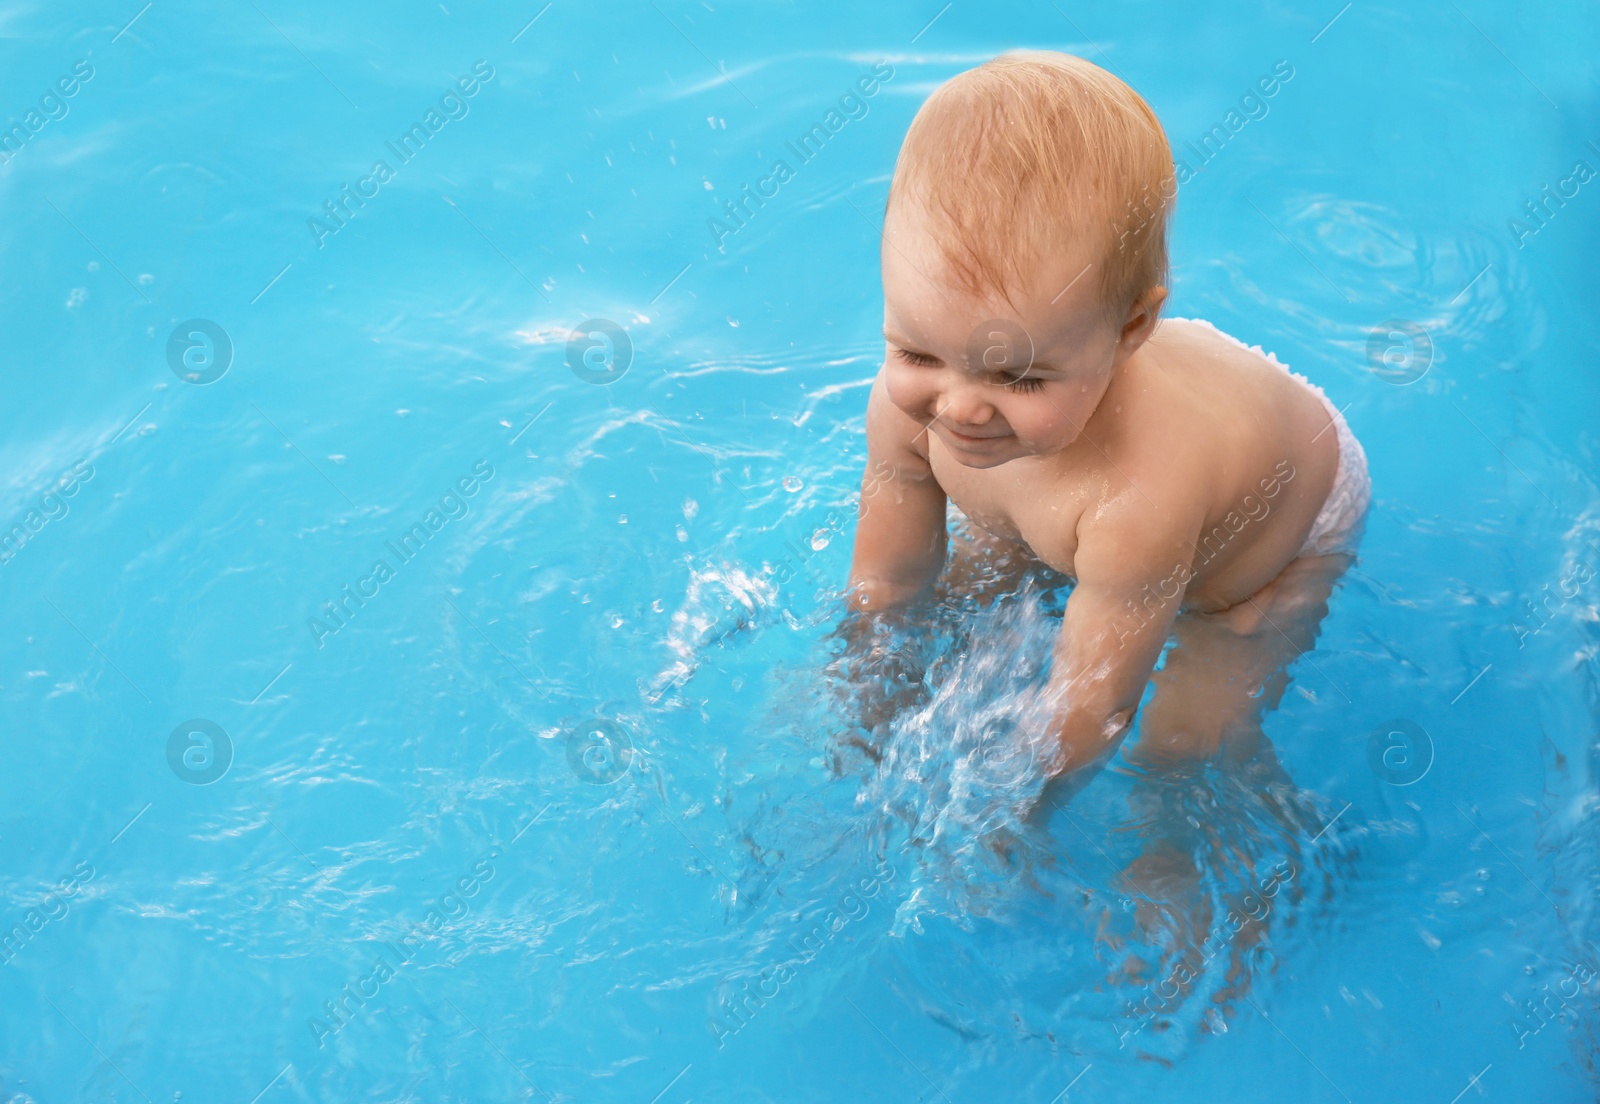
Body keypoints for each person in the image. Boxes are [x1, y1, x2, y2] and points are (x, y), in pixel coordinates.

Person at [846, 51, 1370, 778]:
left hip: (1284, 510)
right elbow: (888, 589)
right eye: (917, 353)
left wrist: (1006, 824)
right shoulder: (911, 413)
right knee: (974, 591)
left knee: (1185, 749)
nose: (959, 406)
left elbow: (1093, 713)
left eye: (1018, 376)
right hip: (1182, 409)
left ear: (1128, 332)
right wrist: (860, 708)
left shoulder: (1138, 504)